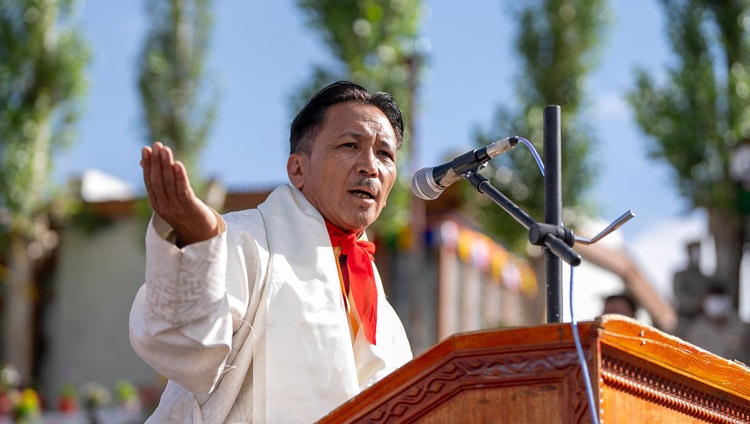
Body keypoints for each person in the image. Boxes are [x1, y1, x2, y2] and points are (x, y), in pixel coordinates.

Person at [129, 81, 413, 423]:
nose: (370, 166)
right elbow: (184, 347)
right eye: (350, 145)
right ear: (297, 169)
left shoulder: (382, 311)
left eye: (385, 154)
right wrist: (198, 245)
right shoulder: (245, 240)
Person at [683, 285, 750, 364]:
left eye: (719, 300)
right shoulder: (696, 328)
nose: (716, 305)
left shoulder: (743, 328)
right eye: (712, 301)